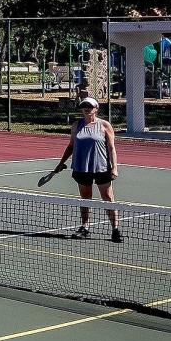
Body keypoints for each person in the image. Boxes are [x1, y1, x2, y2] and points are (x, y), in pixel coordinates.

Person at [51, 96, 123, 242]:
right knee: (85, 198)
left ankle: (115, 229)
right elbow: (71, 146)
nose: (86, 108)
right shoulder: (76, 125)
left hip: (101, 166)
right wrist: (61, 163)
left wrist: (114, 168)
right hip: (81, 167)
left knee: (108, 198)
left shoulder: (104, 125)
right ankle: (85, 227)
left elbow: (111, 148)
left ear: (96, 109)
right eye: (84, 106)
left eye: (89, 106)